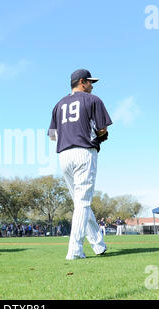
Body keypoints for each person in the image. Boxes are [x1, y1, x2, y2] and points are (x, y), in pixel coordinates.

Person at [48, 69, 112, 260]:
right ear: (82, 82)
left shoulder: (59, 104)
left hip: (64, 154)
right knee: (83, 202)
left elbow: (52, 136)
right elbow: (102, 129)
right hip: (84, 151)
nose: (92, 86)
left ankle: (98, 244)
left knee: (80, 202)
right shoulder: (93, 100)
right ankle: (74, 250)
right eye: (90, 82)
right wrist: (100, 135)